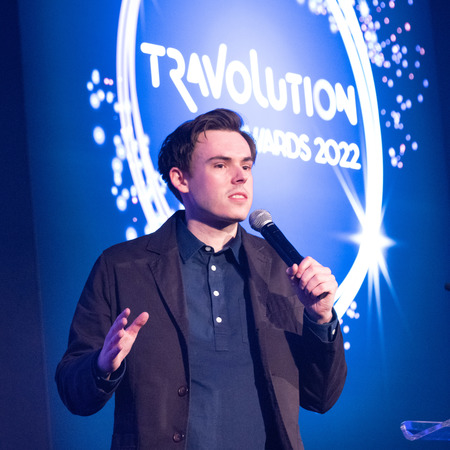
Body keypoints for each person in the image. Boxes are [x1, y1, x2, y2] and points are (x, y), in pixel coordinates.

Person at [56, 108, 347, 450]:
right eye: (221, 165)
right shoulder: (122, 267)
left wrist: (321, 319)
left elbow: (320, 397)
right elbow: (73, 392)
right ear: (180, 179)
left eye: (246, 166)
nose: (240, 177)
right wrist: (102, 366)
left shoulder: (281, 269)